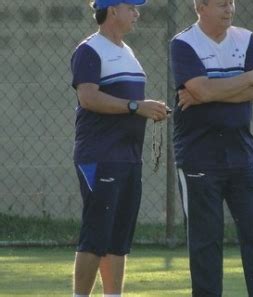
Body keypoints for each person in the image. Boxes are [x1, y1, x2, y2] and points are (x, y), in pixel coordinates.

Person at [170, 0, 253, 296]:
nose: (229, 9)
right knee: (206, 242)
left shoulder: (246, 39)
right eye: (221, 4)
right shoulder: (183, 43)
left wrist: (208, 93)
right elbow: (208, 88)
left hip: (242, 156)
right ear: (201, 7)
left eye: (231, 2)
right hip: (198, 157)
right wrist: (246, 79)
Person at [70, 0, 169, 296]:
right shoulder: (89, 50)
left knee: (118, 239)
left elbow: (131, 104)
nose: (137, 13)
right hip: (100, 157)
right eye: (132, 7)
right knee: (96, 234)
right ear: (113, 10)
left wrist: (150, 109)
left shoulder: (127, 52)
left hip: (128, 158)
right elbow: (88, 98)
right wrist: (137, 106)